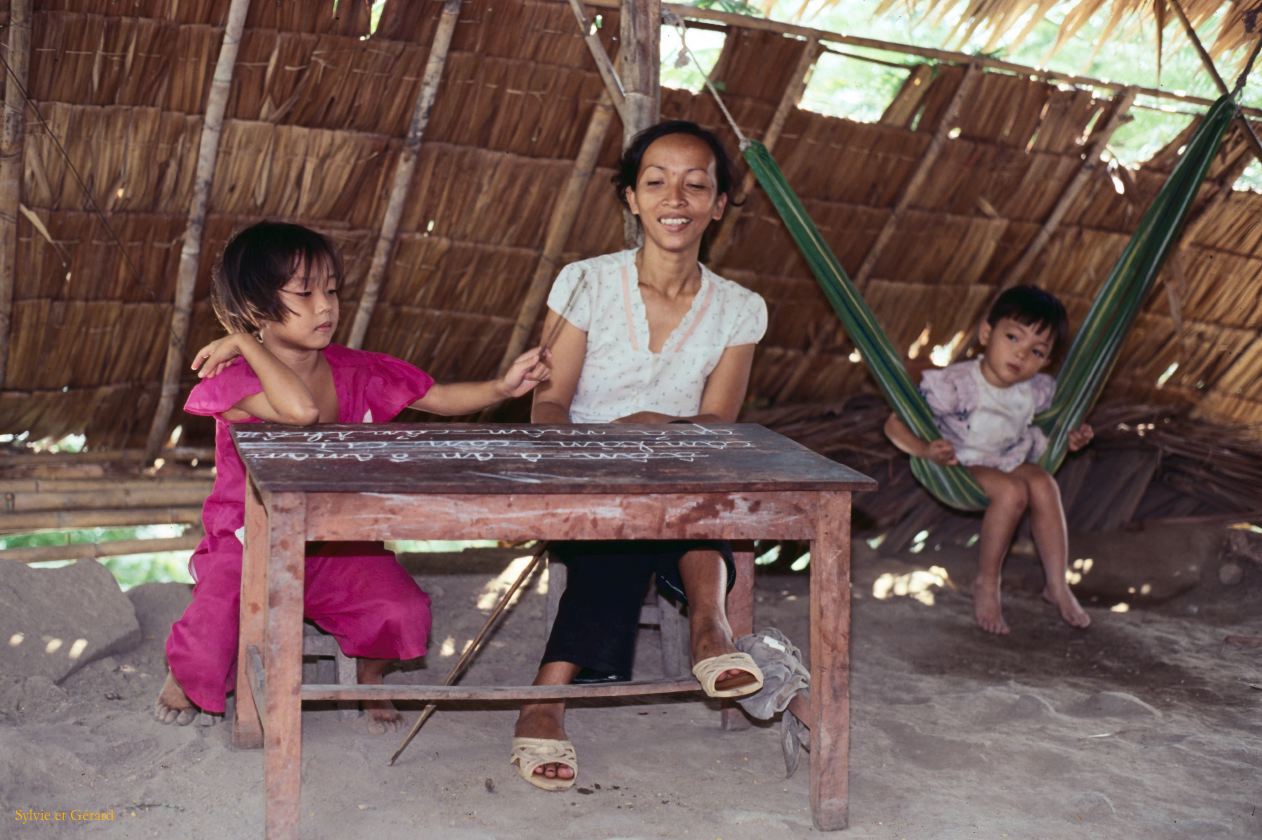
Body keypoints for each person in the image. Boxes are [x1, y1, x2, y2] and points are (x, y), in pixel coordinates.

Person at [154, 221, 549, 731]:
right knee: (207, 642)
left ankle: (371, 672)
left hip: (337, 542)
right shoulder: (235, 381)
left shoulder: (356, 368)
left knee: (401, 610)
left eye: (332, 291)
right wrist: (245, 344)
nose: (325, 306)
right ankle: (183, 678)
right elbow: (298, 411)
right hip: (248, 542)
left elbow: (440, 398)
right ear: (255, 311)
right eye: (305, 293)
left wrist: (503, 386)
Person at [510, 120, 767, 791]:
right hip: (584, 473)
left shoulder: (741, 308)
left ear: (717, 203)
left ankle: (547, 697)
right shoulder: (584, 284)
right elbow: (548, 404)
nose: (674, 197)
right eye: (655, 181)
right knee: (623, 527)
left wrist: (658, 427)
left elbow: (719, 422)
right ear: (630, 198)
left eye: (695, 183)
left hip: (682, 466)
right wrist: (595, 457)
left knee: (686, 499)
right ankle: (708, 632)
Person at [884, 285, 1094, 636]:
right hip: (963, 463)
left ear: (1046, 361)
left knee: (1044, 483)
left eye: (1036, 351)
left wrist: (1069, 440)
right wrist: (923, 449)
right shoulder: (957, 384)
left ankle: (1057, 584)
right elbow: (893, 423)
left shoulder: (1036, 390)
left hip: (1010, 457)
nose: (1021, 354)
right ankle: (987, 581)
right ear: (986, 333)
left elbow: (1052, 430)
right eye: (1013, 337)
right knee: (1012, 493)